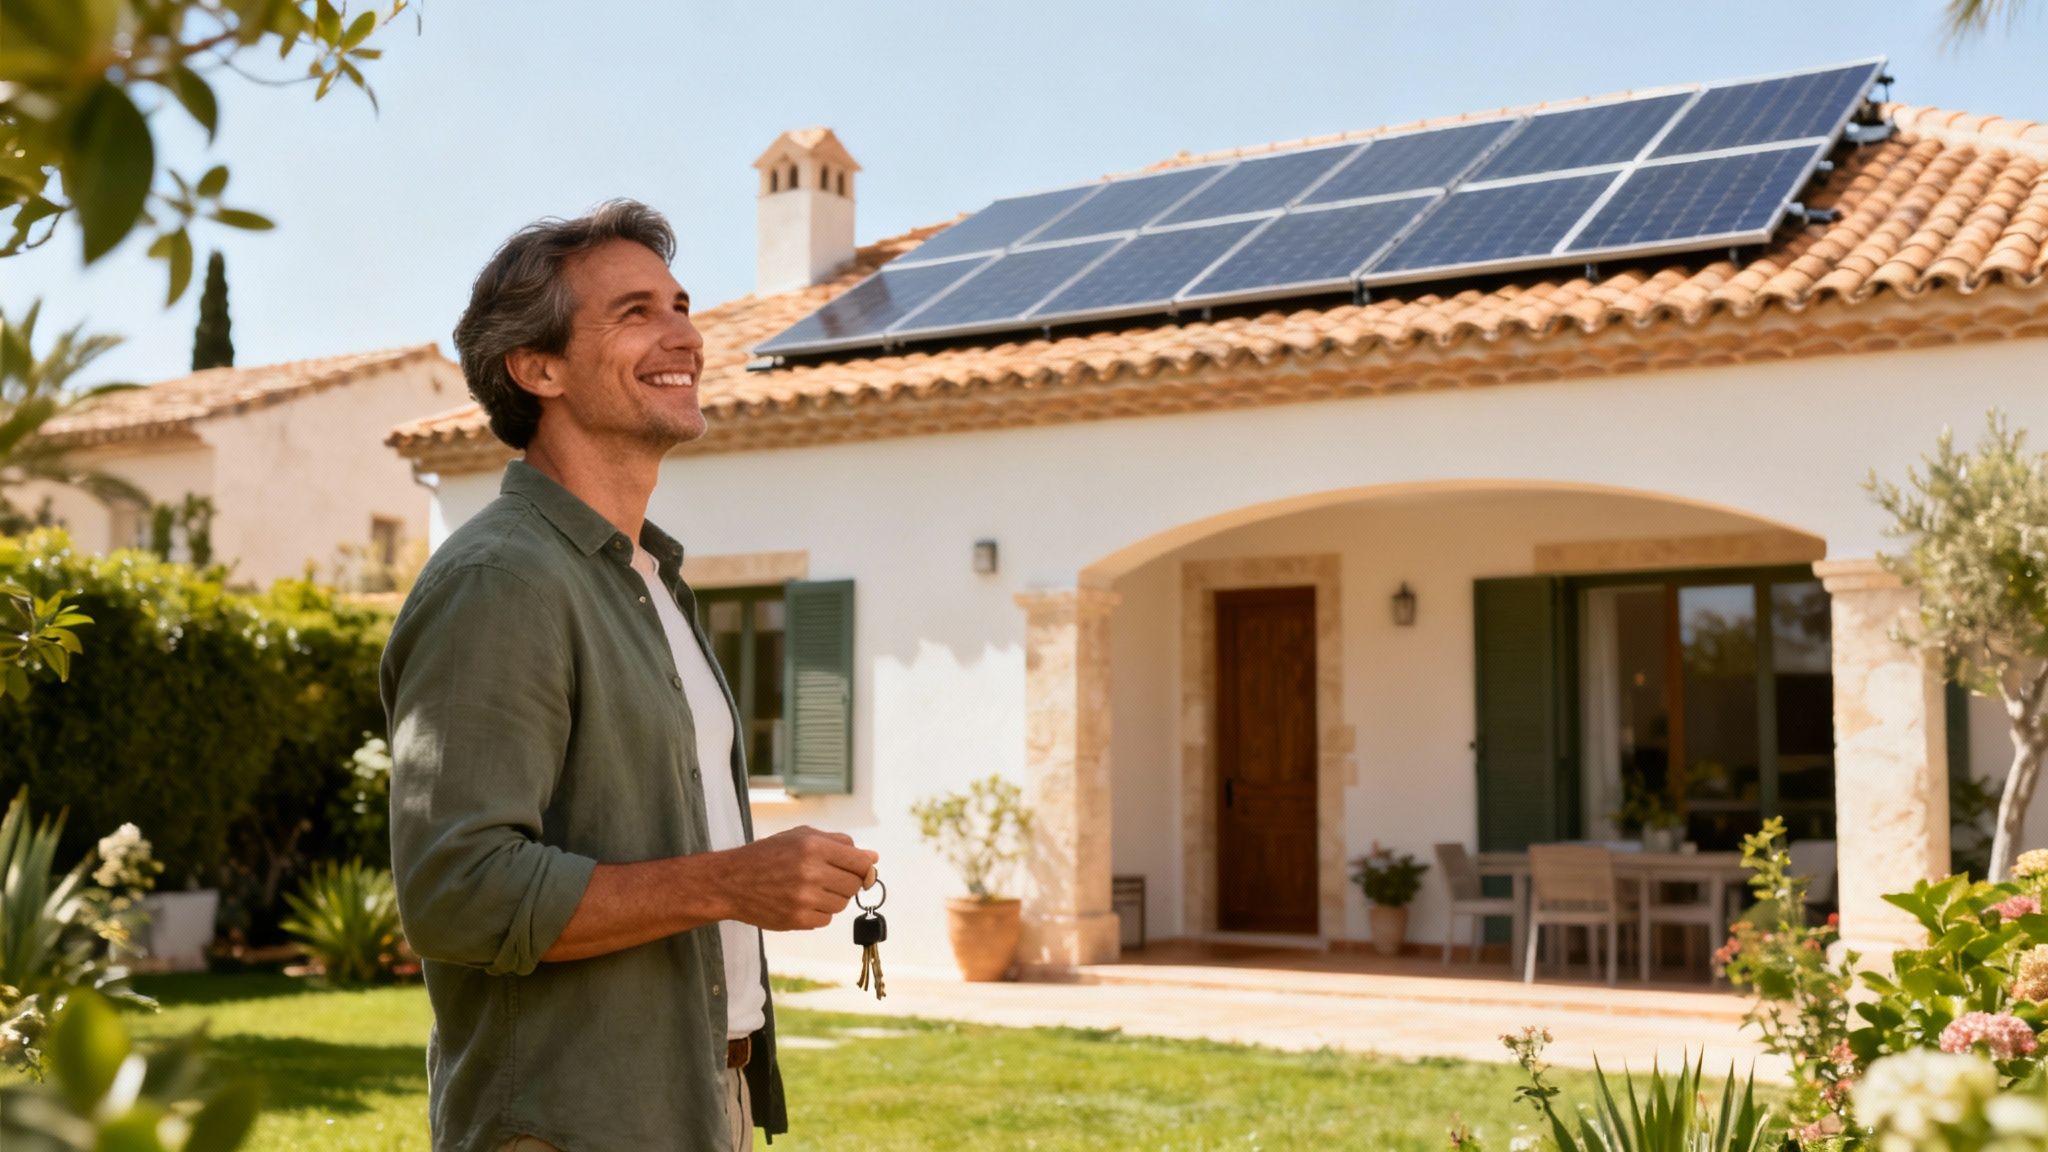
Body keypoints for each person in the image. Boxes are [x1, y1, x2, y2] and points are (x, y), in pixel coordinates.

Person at [383, 199, 879, 1151]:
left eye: (681, 306)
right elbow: (459, 893)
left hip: (700, 1100)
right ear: (538, 369)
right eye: (636, 312)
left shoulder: (651, 580)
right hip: (567, 1127)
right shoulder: (501, 581)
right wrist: (731, 882)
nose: (685, 334)